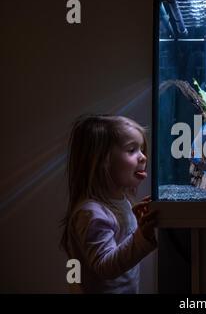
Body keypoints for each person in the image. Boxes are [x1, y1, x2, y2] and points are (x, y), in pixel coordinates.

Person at [60, 114, 158, 293]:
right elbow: (105, 267)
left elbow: (121, 247)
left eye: (142, 149)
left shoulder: (121, 203)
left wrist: (136, 223)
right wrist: (141, 235)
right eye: (132, 150)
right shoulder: (91, 214)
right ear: (102, 161)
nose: (143, 157)